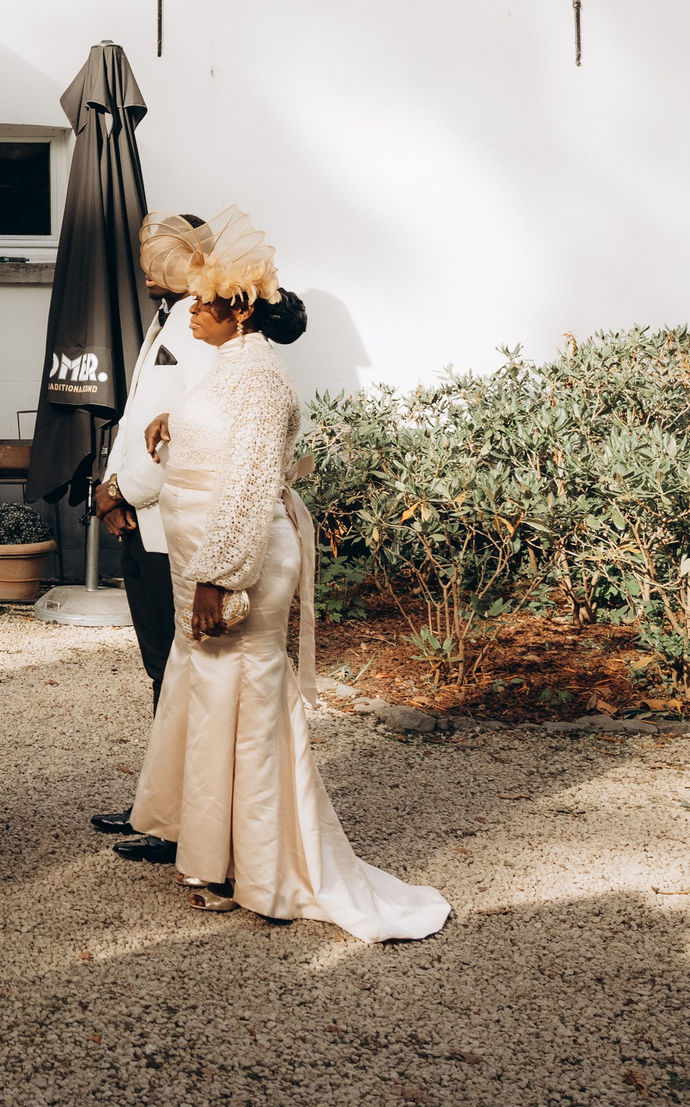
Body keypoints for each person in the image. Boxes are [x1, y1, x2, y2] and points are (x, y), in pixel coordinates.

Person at [126, 209, 449, 941]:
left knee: (243, 708)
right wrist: (173, 424)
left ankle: (258, 866)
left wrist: (219, 578)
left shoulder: (261, 380)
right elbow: (219, 442)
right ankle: (223, 855)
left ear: (236, 311)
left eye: (201, 305)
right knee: (215, 705)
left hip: (235, 568)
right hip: (207, 564)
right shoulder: (234, 370)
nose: (191, 314)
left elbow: (247, 483)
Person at [87, 212, 217, 864]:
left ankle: (184, 822)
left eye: (155, 253)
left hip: (169, 526)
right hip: (139, 519)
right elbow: (139, 418)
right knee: (156, 669)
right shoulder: (169, 318)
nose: (144, 264)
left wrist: (122, 491)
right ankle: (159, 804)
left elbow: (186, 429)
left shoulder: (202, 327)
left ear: (190, 258)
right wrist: (106, 491)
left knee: (176, 670)